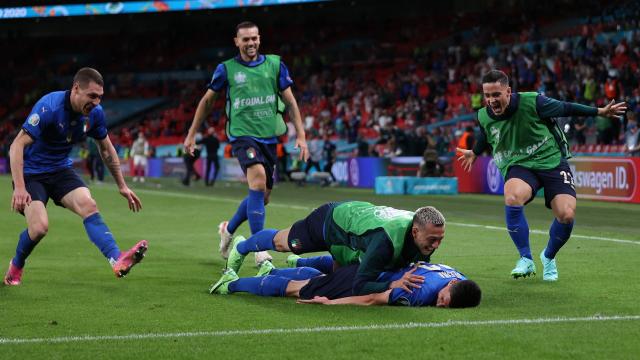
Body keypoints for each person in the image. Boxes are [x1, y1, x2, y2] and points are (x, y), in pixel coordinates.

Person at [457, 70, 626, 281]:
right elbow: (485, 132)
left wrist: (598, 111)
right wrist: (474, 152)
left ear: (508, 91)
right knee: (512, 196)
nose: (491, 100)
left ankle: (548, 256)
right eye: (487, 95)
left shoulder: (534, 102)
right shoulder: (483, 115)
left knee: (566, 215)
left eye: (496, 94)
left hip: (552, 161)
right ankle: (525, 259)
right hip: (519, 164)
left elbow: (566, 107)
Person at [5, 67, 148, 286]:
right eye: (92, 96)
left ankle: (117, 259)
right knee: (39, 228)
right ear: (76, 89)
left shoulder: (95, 114)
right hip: (31, 173)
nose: (97, 102)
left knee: (88, 204)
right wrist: (20, 188)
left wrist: (122, 185)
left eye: (100, 97)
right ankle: (16, 265)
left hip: (60, 170)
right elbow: (16, 146)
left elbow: (107, 149)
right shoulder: (49, 107)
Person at [183, 21, 308, 263]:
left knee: (263, 195)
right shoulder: (226, 69)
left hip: (269, 138)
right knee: (258, 181)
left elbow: (290, 102)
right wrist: (191, 133)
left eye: (254, 38)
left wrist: (301, 136)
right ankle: (260, 248)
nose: (250, 43)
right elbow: (207, 101)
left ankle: (228, 229)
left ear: (259, 39)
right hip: (242, 136)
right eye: (245, 39)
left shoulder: (275, 65)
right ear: (236, 42)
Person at [225, 201, 446, 295]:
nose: (436, 245)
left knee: (337, 277)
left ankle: (273, 272)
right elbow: (360, 286)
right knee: (283, 243)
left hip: (353, 233)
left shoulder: (424, 234)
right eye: (433, 240)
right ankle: (242, 246)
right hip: (330, 221)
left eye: (440, 240)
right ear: (415, 232)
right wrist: (392, 284)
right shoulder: (385, 241)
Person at [210, 260, 481, 308]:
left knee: (315, 279)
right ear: (450, 288)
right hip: (363, 282)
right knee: (299, 288)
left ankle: (272, 268)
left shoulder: (455, 275)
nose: (439, 304)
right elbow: (373, 299)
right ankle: (231, 284)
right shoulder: (418, 290)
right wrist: (331, 303)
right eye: (443, 299)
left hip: (372, 268)